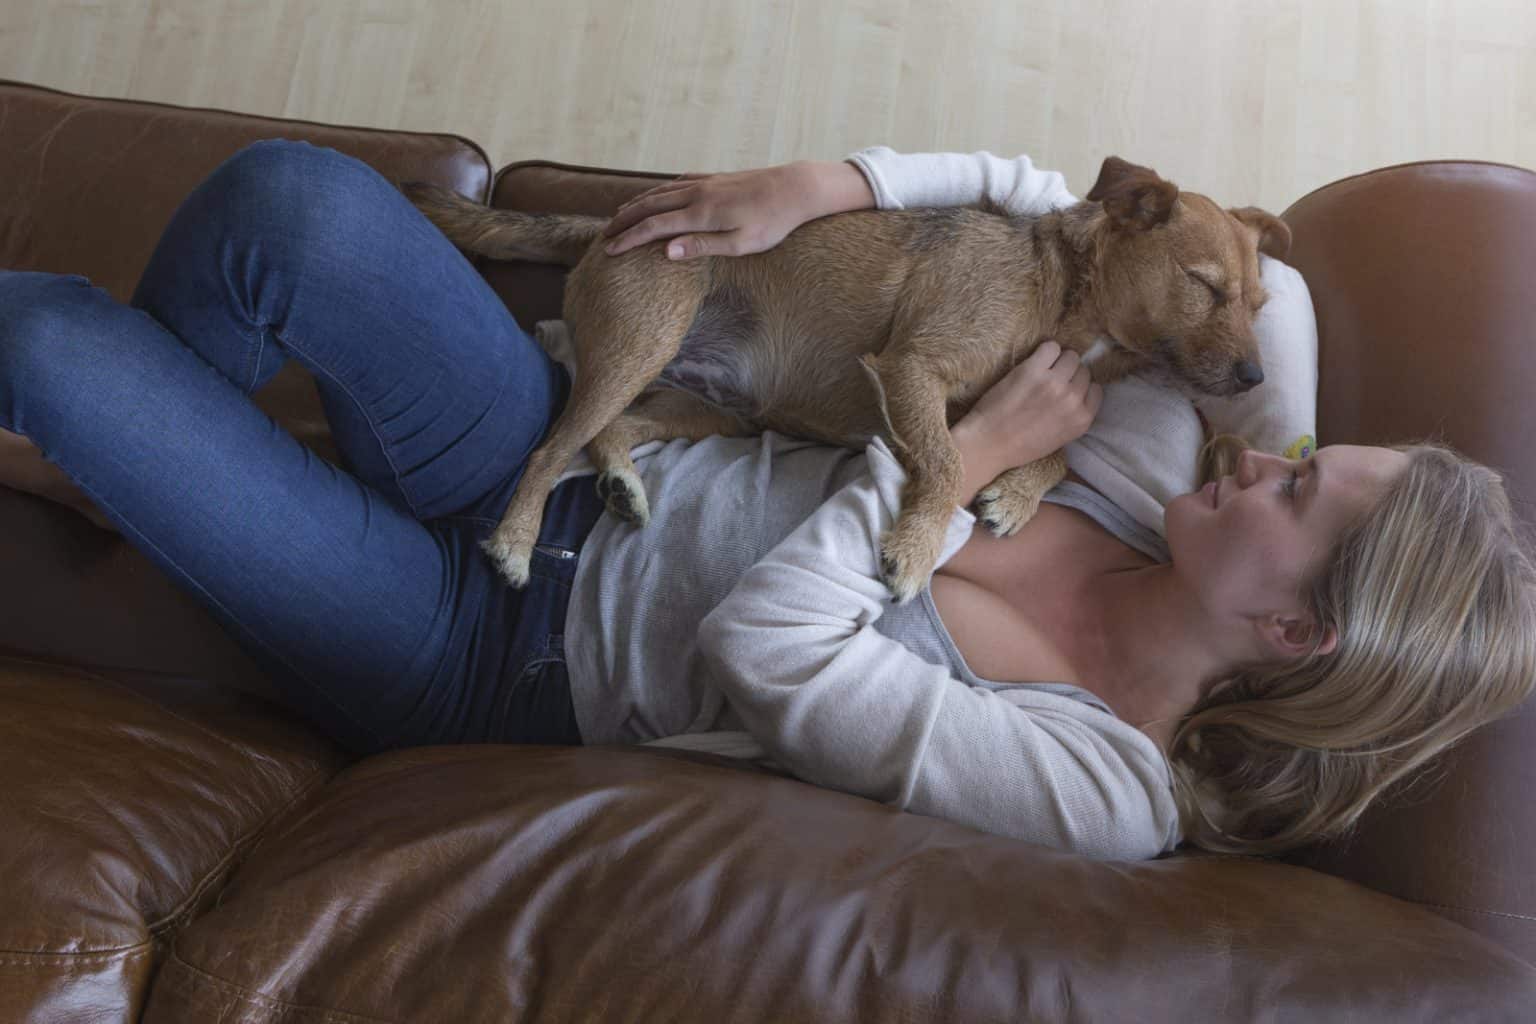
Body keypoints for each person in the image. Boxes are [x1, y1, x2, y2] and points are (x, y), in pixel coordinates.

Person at [1, 140, 1531, 862]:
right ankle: (138, 471)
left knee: (52, 341)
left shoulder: (1104, 788)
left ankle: (145, 454)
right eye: (1299, 447)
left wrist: (961, 467)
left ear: (1287, 626)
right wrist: (848, 182)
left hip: (492, 659)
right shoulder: (1151, 479)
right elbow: (1271, 290)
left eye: (1300, 487)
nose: (1261, 451)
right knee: (294, 201)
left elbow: (774, 652)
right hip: (582, 451)